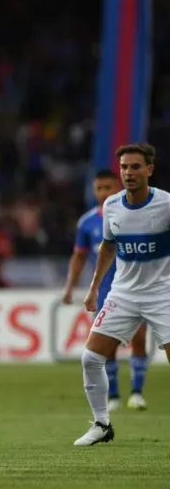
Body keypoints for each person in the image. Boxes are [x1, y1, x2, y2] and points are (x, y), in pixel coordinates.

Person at [76, 143, 169, 446]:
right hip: (124, 293)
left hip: (162, 293)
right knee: (90, 358)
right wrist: (93, 288)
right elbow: (108, 247)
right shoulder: (112, 207)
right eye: (125, 167)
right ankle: (102, 424)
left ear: (149, 170)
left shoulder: (166, 205)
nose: (129, 172)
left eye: (135, 167)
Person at [63, 169, 148, 411]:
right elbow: (79, 257)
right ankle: (114, 397)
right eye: (99, 188)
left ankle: (137, 392)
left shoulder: (135, 217)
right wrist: (70, 286)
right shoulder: (87, 223)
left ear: (118, 188)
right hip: (105, 292)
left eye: (108, 188)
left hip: (135, 288)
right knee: (105, 346)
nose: (103, 193)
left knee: (139, 339)